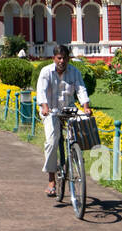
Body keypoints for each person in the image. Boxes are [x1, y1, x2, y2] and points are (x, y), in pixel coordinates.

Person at [36, 44, 93, 198]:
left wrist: (86, 107)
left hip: (69, 109)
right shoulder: (46, 72)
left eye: (64, 58)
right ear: (54, 58)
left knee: (85, 120)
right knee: (52, 141)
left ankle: (76, 152)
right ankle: (51, 180)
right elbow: (41, 92)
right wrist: (45, 107)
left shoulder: (74, 71)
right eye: (59, 58)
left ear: (69, 58)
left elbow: (81, 89)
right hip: (51, 111)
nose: (62, 61)